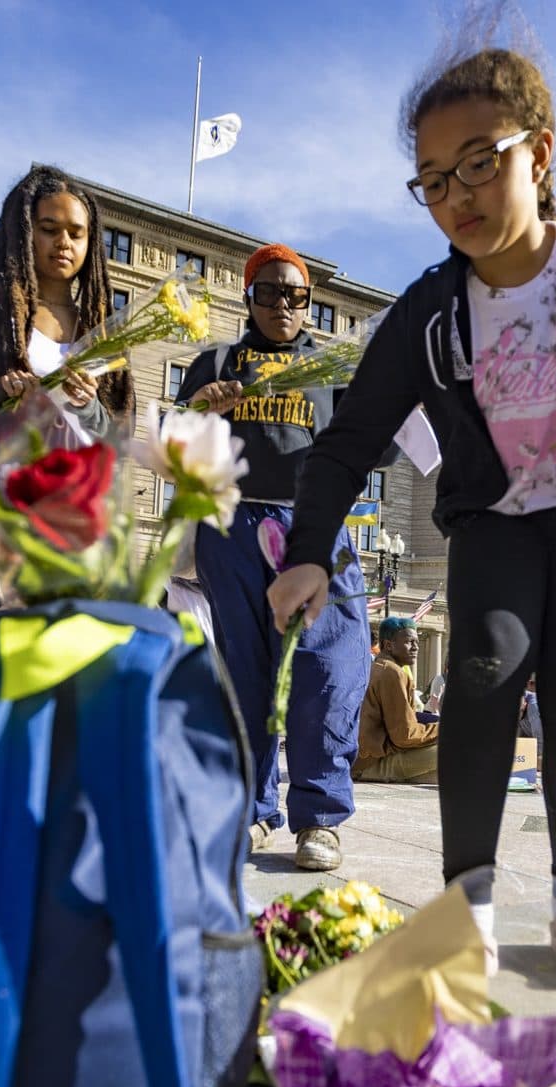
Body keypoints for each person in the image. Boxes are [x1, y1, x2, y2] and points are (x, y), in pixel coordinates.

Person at [266, 45, 556, 987]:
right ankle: (464, 910)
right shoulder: (431, 311)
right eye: (434, 179)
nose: (459, 195)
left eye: (482, 161)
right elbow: (348, 438)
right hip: (498, 518)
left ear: (541, 153)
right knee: (482, 671)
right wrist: (308, 552)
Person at [178, 243, 373, 871]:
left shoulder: (335, 366)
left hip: (313, 526)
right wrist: (198, 415)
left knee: (327, 668)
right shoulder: (213, 361)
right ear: (248, 296)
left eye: (296, 294)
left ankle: (320, 818)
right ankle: (252, 811)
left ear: (309, 302)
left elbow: (374, 450)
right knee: (245, 669)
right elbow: (175, 445)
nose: (283, 304)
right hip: (231, 521)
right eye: (269, 292)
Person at [0, 166, 132, 611]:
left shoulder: (101, 328)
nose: (64, 243)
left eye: (77, 233)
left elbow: (118, 432)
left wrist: (88, 405)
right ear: (23, 232)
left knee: (65, 644)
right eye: (49, 229)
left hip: (74, 508)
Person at [355, 617, 441, 783]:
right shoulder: (392, 672)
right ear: (388, 645)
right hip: (374, 763)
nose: (416, 647)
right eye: (409, 642)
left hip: (363, 761)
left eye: (416, 642)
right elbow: (405, 736)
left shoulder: (380, 667)